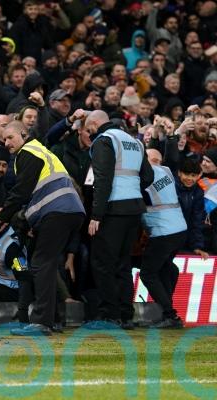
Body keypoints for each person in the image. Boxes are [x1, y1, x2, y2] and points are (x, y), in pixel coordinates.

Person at [0, 121, 85, 336]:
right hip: (70, 211)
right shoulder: (41, 151)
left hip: (56, 211)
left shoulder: (28, 152)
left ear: (24, 134)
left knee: (40, 263)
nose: (6, 142)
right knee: (47, 264)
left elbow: (21, 193)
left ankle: (42, 322)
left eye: (10, 137)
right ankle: (53, 319)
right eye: (4, 139)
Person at [84, 110, 154, 329]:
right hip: (134, 209)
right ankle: (125, 315)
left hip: (112, 210)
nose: (88, 132)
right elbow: (148, 176)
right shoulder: (135, 142)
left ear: (95, 123)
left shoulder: (104, 140)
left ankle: (109, 315)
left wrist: (96, 214)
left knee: (103, 263)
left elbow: (102, 179)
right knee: (123, 264)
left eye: (88, 128)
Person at [141, 149, 187, 329]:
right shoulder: (165, 171)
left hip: (163, 230)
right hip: (180, 228)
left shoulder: (142, 178)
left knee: (148, 273)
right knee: (167, 267)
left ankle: (169, 314)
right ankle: (167, 310)